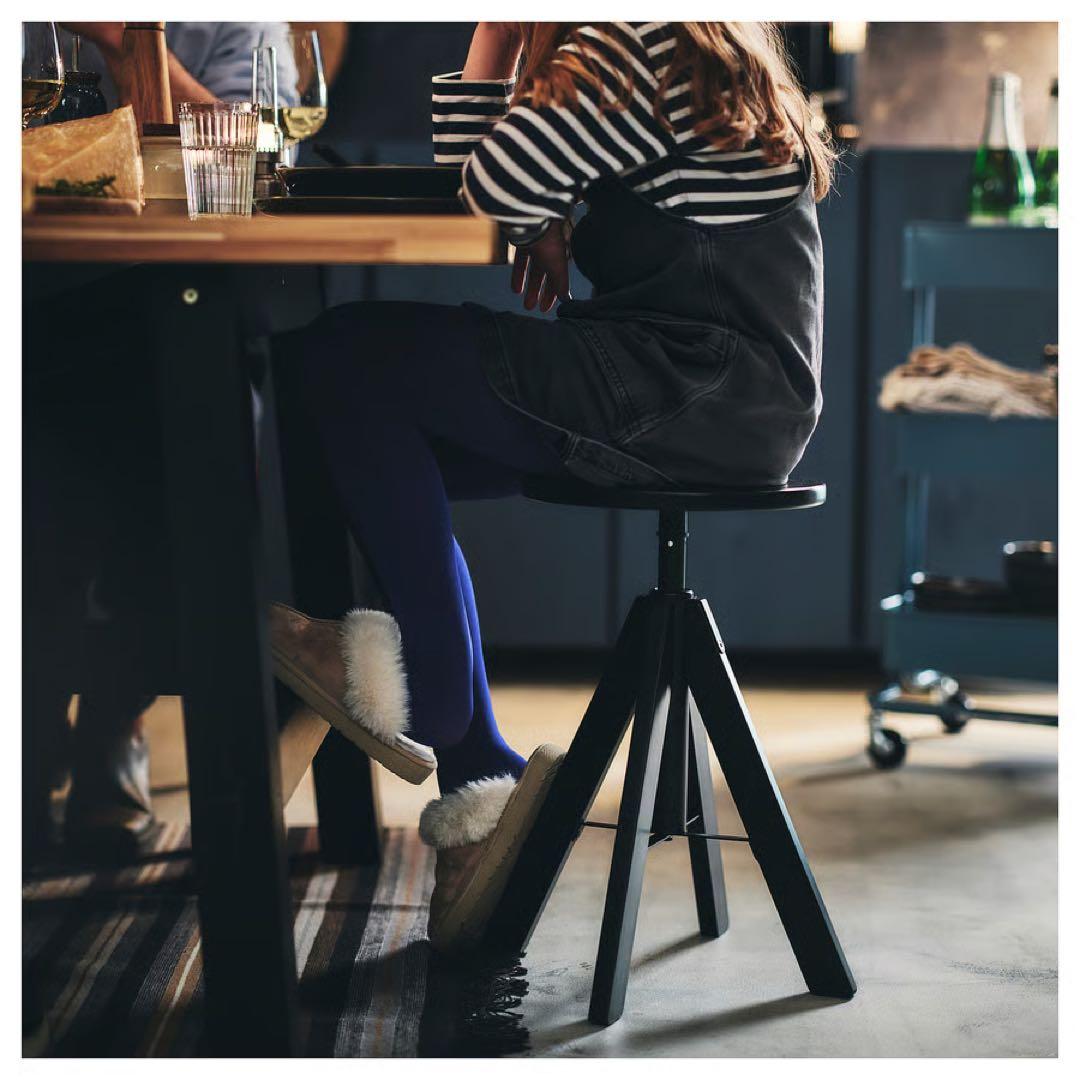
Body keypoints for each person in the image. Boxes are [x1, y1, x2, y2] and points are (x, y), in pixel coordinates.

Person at [273, 19, 834, 951]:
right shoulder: (684, 38)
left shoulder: (633, 41)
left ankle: (436, 709)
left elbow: (487, 188)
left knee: (342, 360)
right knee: (374, 444)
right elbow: (493, 185)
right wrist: (539, 207)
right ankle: (474, 777)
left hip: (679, 388)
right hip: (725, 402)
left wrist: (502, 34)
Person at [25, 22, 294, 862]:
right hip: (34, 292)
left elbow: (263, 164)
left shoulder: (236, 22)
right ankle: (31, 739)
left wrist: (131, 47)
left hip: (172, 301)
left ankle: (111, 719)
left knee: (175, 413)